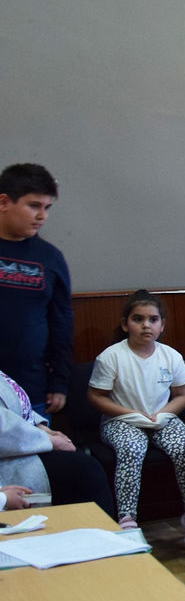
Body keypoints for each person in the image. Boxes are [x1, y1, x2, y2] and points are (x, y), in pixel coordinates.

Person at [86, 291, 185, 550]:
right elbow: (96, 396)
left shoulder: (170, 356)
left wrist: (163, 414)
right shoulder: (112, 356)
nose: (146, 325)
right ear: (125, 324)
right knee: (132, 448)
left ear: (162, 325)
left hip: (161, 417)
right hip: (122, 420)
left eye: (153, 319)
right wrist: (131, 414)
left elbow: (181, 395)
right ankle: (127, 520)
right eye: (138, 319)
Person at [0, 163, 72, 417]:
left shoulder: (51, 258)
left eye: (47, 207)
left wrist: (60, 382)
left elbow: (61, 323)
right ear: (4, 202)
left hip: (32, 389)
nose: (42, 216)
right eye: (34, 206)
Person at [0, 366, 115, 515]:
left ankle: (103, 528)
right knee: (84, 472)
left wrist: (43, 428)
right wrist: (49, 441)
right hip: (11, 454)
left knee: (84, 466)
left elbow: (18, 406)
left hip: (27, 441)